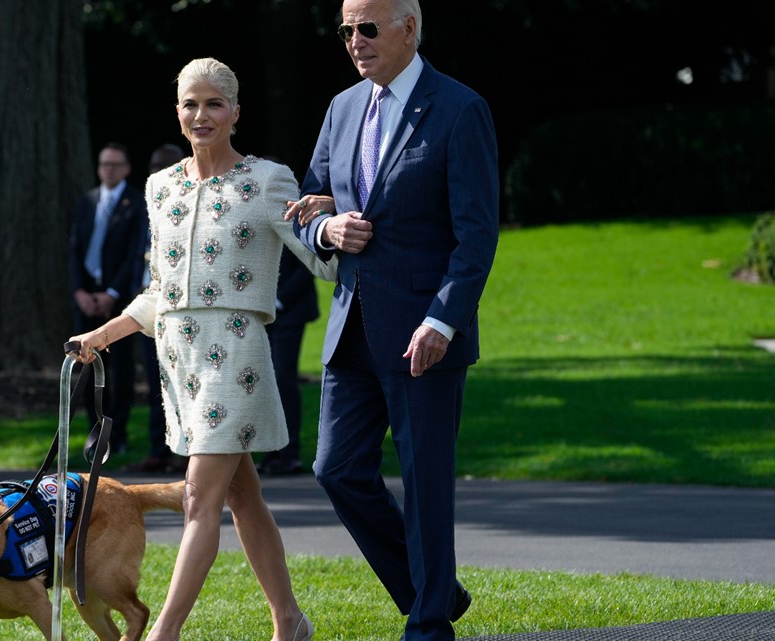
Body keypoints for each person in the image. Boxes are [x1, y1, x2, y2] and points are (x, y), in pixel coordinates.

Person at [68, 57, 335, 641]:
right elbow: (160, 292)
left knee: (198, 499)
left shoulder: (267, 179)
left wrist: (337, 221)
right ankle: (290, 621)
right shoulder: (160, 187)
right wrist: (100, 336)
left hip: (236, 357)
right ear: (178, 112)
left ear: (236, 112)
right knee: (244, 497)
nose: (202, 114)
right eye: (191, 103)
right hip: (179, 364)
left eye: (214, 103)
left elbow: (322, 259)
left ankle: (163, 634)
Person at [285, 1, 499, 639]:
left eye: (368, 28)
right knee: (336, 468)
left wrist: (443, 321)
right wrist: (328, 227)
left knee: (427, 482)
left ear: (410, 27)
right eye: (347, 29)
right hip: (351, 327)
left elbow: (477, 236)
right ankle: (431, 591)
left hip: (423, 336)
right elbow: (308, 201)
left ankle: (428, 624)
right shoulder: (343, 107)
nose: (355, 41)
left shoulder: (460, 110)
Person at [68, 142, 148, 454]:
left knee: (121, 369)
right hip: (87, 295)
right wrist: (79, 291)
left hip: (119, 300)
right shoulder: (88, 201)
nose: (108, 170)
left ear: (126, 169)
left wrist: (113, 293)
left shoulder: (136, 203)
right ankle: (94, 431)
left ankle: (119, 432)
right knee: (85, 364)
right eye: (104, 164)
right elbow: (75, 249)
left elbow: (133, 255)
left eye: (115, 165)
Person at [127, 143, 188, 474]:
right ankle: (158, 449)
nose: (156, 173)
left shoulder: (187, 203)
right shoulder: (147, 205)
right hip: (148, 306)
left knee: (180, 383)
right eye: (152, 166)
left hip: (179, 311)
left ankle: (184, 451)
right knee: (155, 384)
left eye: (163, 166)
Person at [257, 247, 319, 476]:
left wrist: (279, 300)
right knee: (263, 381)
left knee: (283, 378)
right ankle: (271, 452)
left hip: (290, 309)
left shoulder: (293, 211)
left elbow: (307, 262)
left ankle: (290, 453)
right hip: (259, 309)